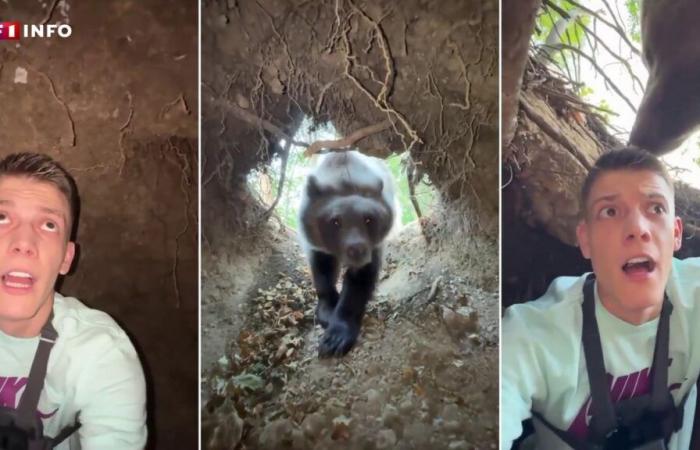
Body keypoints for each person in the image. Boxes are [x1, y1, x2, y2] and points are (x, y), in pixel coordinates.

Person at [501, 147, 700, 449]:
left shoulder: (694, 295)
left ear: (675, 234)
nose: (637, 229)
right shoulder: (533, 336)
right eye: (610, 211)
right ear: (585, 240)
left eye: (655, 208)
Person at [0, 153, 147, 449]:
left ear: (66, 258)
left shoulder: (101, 353)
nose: (24, 243)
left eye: (48, 225)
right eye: (2, 217)